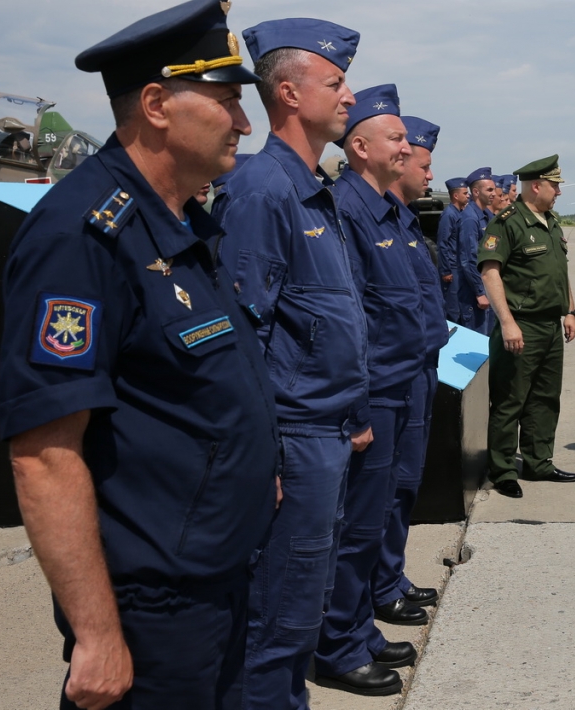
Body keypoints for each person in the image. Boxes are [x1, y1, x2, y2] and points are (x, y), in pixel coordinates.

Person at [0, 2, 280, 708]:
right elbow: (43, 451)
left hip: (216, 579)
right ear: (156, 104)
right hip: (153, 609)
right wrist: (97, 635)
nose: (245, 124)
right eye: (227, 102)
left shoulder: (180, 222)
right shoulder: (83, 236)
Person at [211, 19, 371, 710]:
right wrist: (265, 456)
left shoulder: (312, 189)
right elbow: (242, 332)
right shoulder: (262, 191)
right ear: (288, 92)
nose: (349, 96)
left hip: (325, 434)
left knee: (299, 615)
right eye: (335, 83)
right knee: (276, 621)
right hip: (294, 441)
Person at [314, 84, 424, 697]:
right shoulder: (350, 207)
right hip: (375, 387)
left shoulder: (381, 207)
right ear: (359, 147)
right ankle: (339, 642)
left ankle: (357, 629)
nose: (406, 147)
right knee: (357, 528)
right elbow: (352, 316)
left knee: (374, 517)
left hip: (400, 380)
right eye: (397, 137)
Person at [373, 115, 450, 629]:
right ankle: (378, 586)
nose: (426, 174)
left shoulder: (402, 221)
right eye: (421, 163)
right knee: (382, 492)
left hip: (419, 366)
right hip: (391, 375)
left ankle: (389, 575)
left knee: (405, 484)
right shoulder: (374, 219)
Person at [479, 155, 575, 498]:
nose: (559, 193)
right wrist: (507, 323)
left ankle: (538, 462)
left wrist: (570, 311)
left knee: (545, 398)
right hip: (521, 326)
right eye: (555, 186)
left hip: (551, 326)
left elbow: (559, 271)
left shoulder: (551, 222)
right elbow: (490, 272)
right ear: (536, 185)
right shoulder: (508, 223)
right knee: (510, 399)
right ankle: (503, 469)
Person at [457, 167, 496, 334]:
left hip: (484, 286)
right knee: (477, 337)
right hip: (472, 292)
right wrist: (480, 292)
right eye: (489, 190)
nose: (494, 193)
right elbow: (469, 258)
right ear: (476, 192)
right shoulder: (470, 219)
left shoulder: (484, 215)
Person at [437, 176, 468, 322]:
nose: (468, 196)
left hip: (459, 266)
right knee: (453, 309)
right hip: (452, 267)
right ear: (455, 195)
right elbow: (442, 243)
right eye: (465, 193)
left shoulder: (459, 213)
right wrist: (446, 270)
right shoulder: (448, 215)